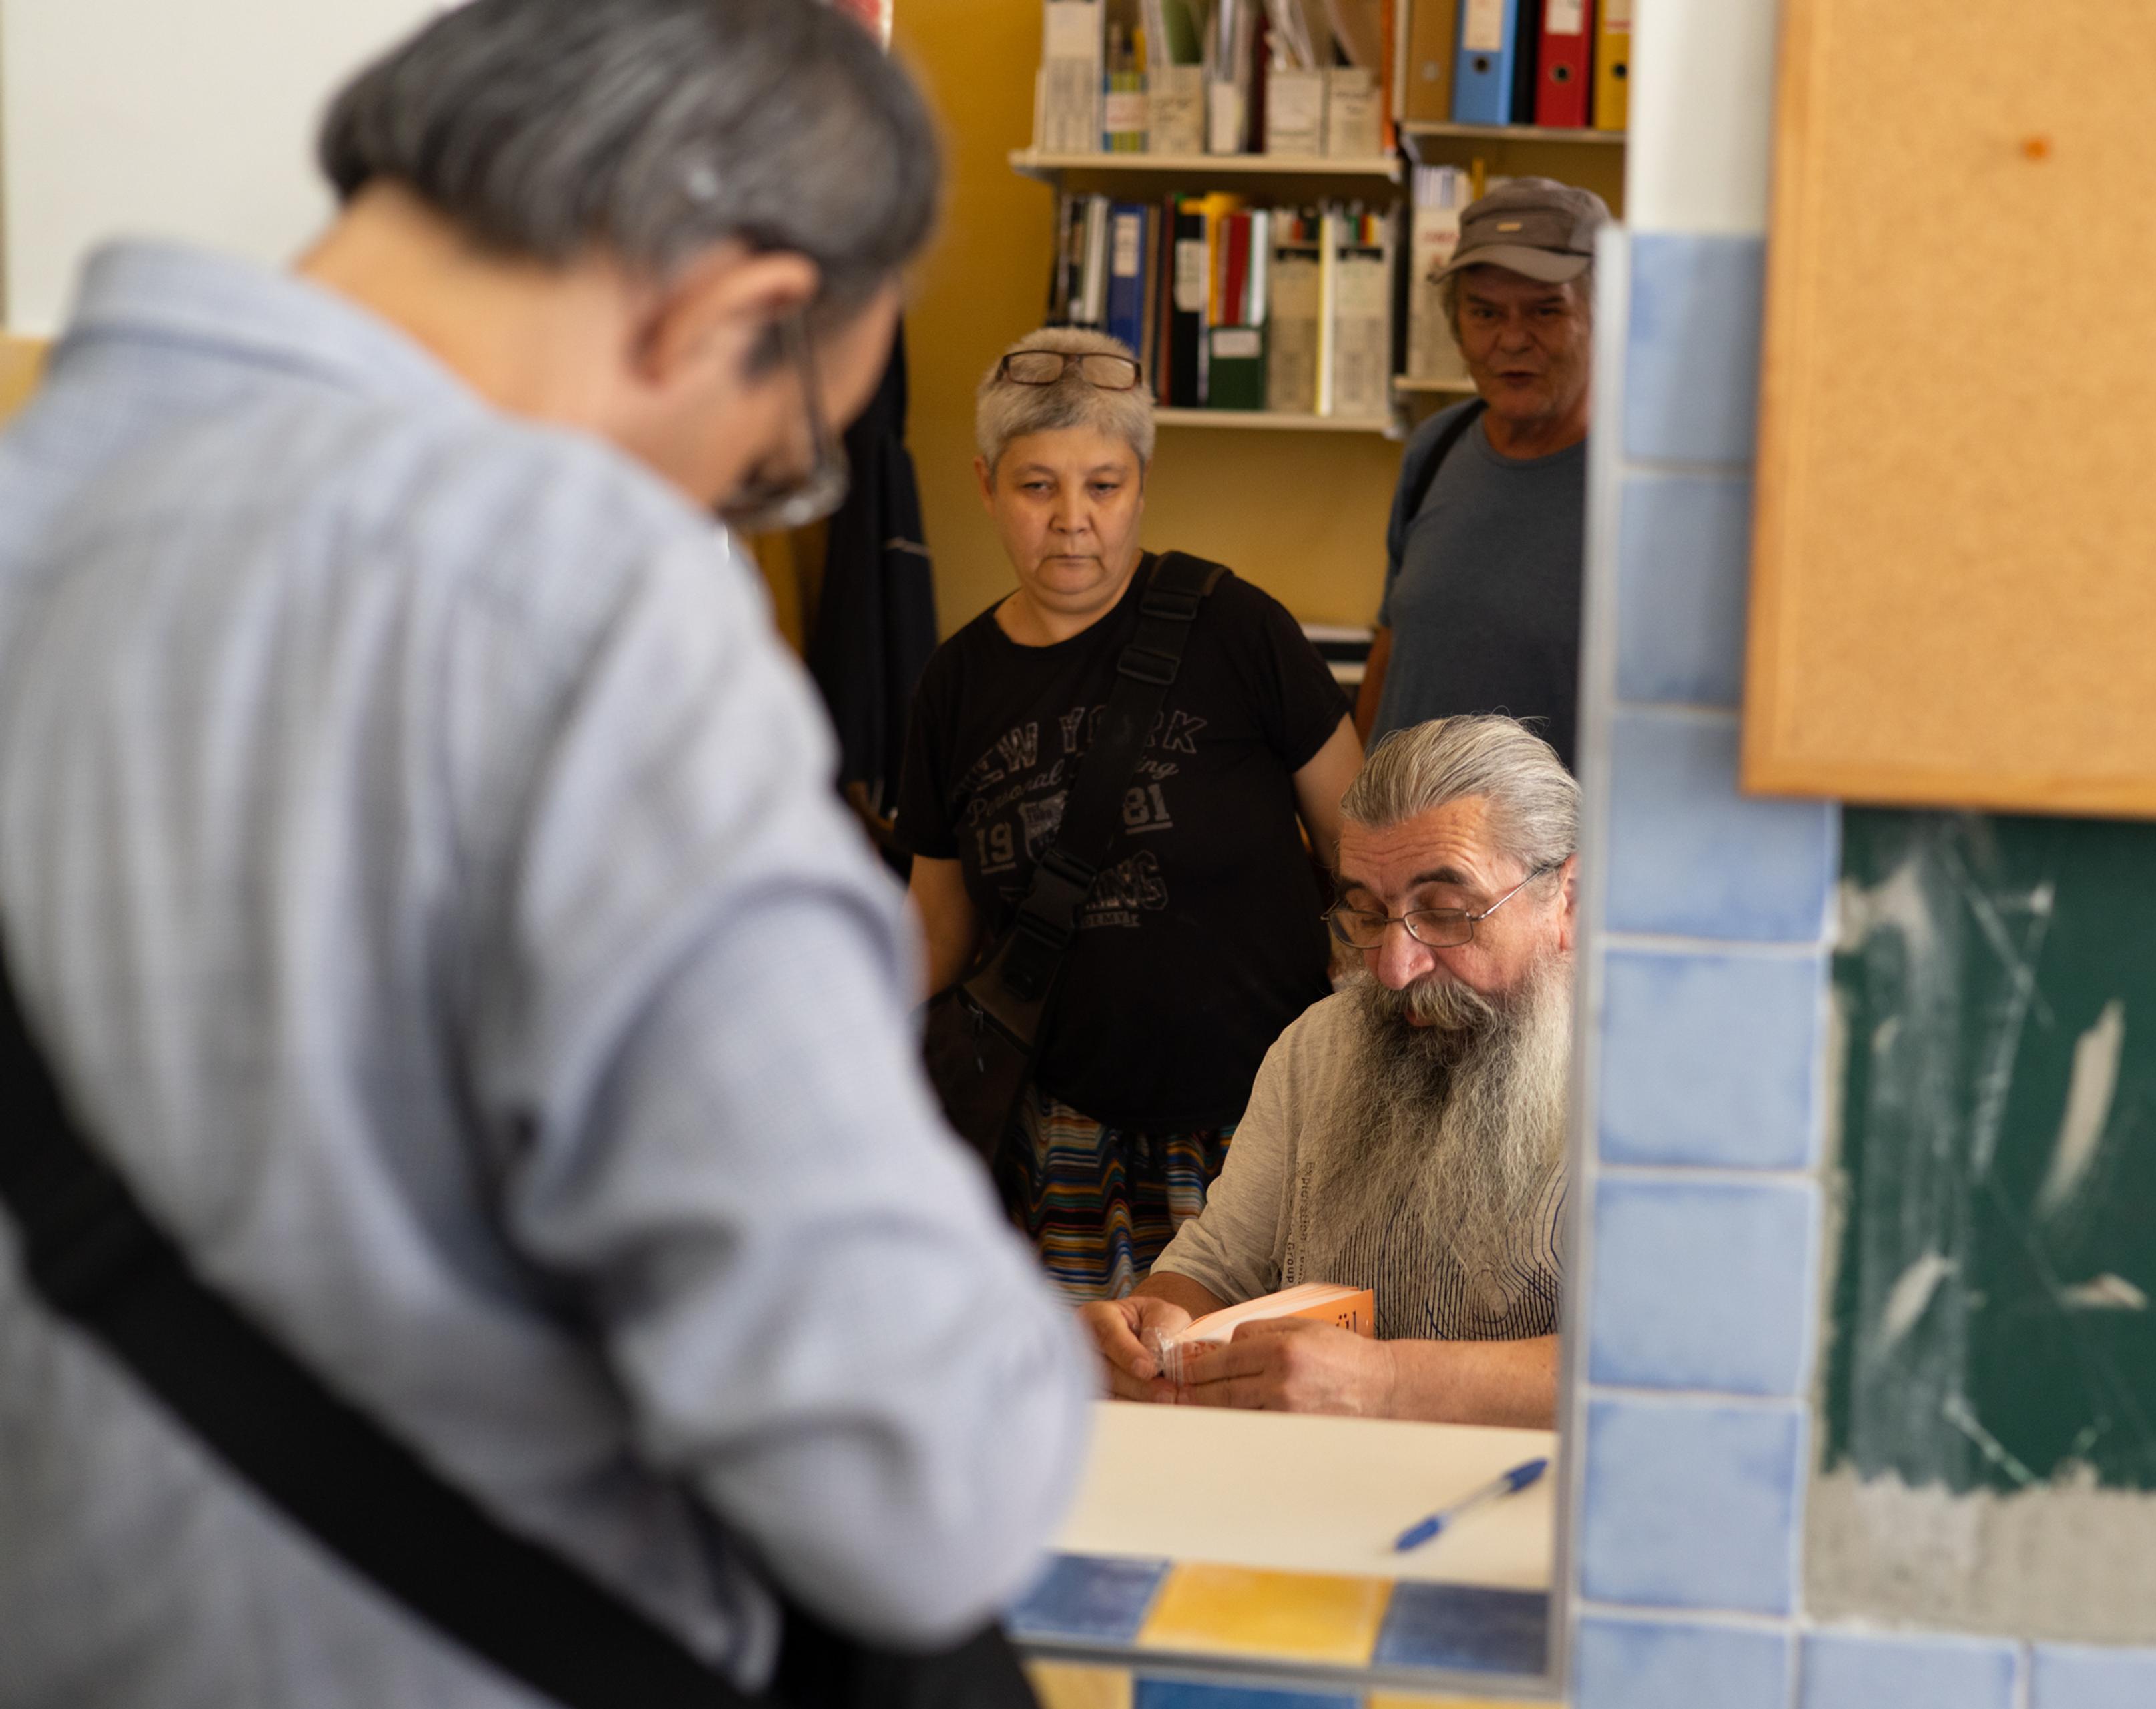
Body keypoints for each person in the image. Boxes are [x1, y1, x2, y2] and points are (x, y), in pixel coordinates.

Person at [0, 5, 1091, 1707]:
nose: (727, 521)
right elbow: (915, 1482)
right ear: (731, 311)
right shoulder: (573, 593)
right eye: (770, 471)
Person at [900, 326, 1364, 1302]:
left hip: (1265, 1126)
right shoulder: (954, 685)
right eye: (1037, 487)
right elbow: (939, 924)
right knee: (1095, 1421)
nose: (1073, 520)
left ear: (1141, 485)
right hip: (1063, 1141)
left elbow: (1360, 852)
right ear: (985, 485)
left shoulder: (1239, 629)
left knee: (1266, 1402)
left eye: (1102, 485)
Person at [1077, 715, 1576, 1428]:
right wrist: (1150, 1332)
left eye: (1444, 912)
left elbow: (1674, 1362)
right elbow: (1217, 1270)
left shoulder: (1663, 1081)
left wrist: (1391, 1383)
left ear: (1569, 900)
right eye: (1368, 913)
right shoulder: (1320, 1047)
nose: (1395, 967)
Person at [1354, 178, 1607, 770]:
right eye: (1485, 313)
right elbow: (1394, 654)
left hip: (1558, 859)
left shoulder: (1643, 482)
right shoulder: (1435, 448)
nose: (1511, 340)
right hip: (1406, 850)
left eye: (1547, 311)